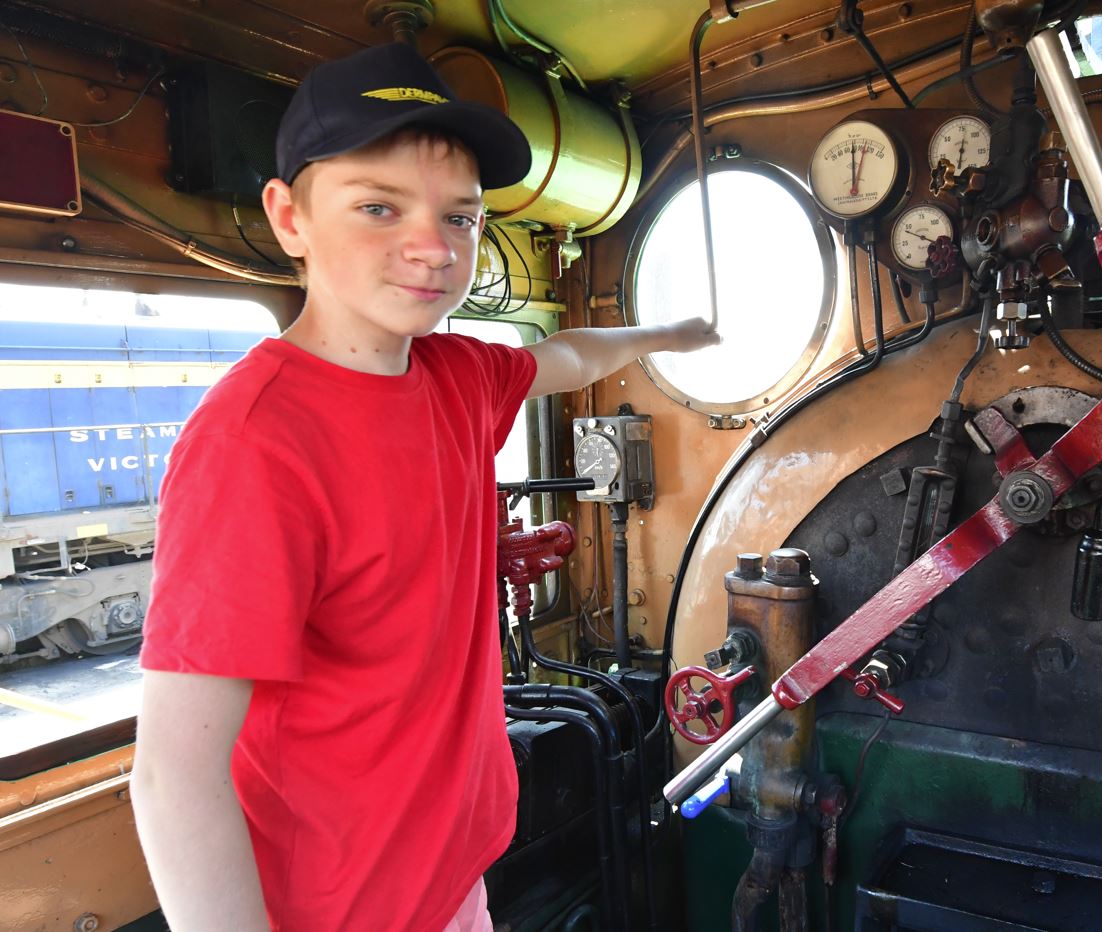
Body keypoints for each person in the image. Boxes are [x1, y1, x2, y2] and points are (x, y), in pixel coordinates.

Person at [129, 42, 717, 932]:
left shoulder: (457, 378)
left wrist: (668, 333)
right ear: (290, 218)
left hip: (452, 885)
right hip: (337, 911)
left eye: (462, 217)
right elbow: (175, 775)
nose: (432, 248)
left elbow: (565, 355)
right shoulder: (255, 444)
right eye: (378, 206)